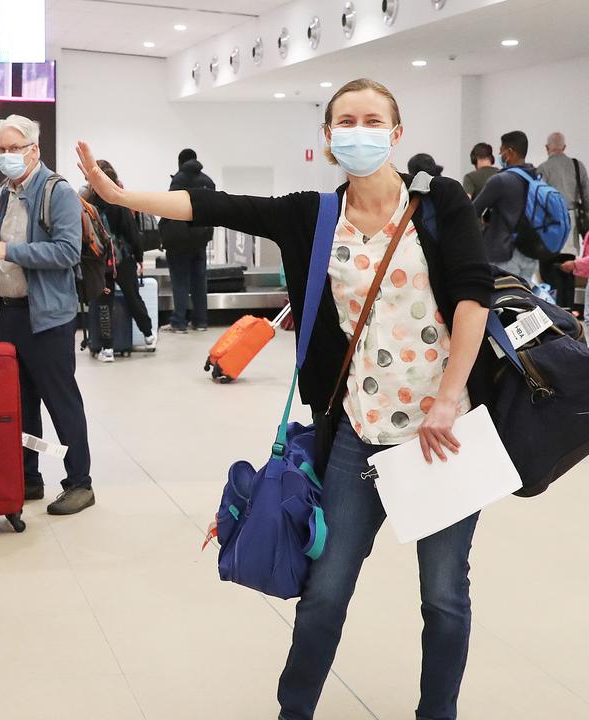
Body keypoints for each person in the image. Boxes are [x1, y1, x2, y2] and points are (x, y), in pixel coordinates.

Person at [78, 77, 493, 720]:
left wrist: (444, 402)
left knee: (443, 596)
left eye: (372, 119)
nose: (359, 131)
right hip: (358, 431)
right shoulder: (313, 215)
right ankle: (293, 711)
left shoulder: (439, 203)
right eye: (345, 121)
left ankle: (437, 713)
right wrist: (117, 195)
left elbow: (473, 296)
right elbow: (217, 207)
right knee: (325, 591)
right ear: (329, 138)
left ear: (397, 131)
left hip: (442, 433)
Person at [0, 114, 95, 516]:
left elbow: (66, 252)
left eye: (14, 149)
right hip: (11, 313)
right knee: (19, 404)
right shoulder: (8, 192)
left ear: (34, 150)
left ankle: (80, 483)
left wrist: (10, 251)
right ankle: (29, 476)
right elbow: (11, 240)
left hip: (48, 317)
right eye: (1, 150)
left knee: (61, 401)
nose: (7, 156)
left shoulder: (55, 191)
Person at [85, 159, 157, 361]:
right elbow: (132, 233)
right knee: (133, 297)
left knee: (104, 304)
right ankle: (149, 336)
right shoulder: (118, 201)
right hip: (123, 261)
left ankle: (107, 349)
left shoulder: (89, 203)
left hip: (100, 264)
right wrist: (140, 257)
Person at [472, 130, 541, 282]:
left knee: (505, 301)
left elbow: (472, 211)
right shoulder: (536, 177)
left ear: (509, 152)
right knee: (526, 303)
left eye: (501, 151)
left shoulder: (500, 180)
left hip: (504, 255)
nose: (499, 156)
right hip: (530, 253)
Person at [162, 149, 216, 333]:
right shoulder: (208, 182)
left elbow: (170, 207)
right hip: (201, 238)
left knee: (180, 281)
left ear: (180, 161)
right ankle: (201, 321)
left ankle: (179, 322)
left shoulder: (179, 180)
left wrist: (162, 233)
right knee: (200, 281)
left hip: (180, 240)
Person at [537, 132, 589, 243]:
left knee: (551, 256)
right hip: (572, 221)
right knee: (569, 258)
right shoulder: (578, 166)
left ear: (547, 148)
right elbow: (586, 197)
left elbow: (538, 199)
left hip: (550, 221)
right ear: (564, 147)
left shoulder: (542, 168)